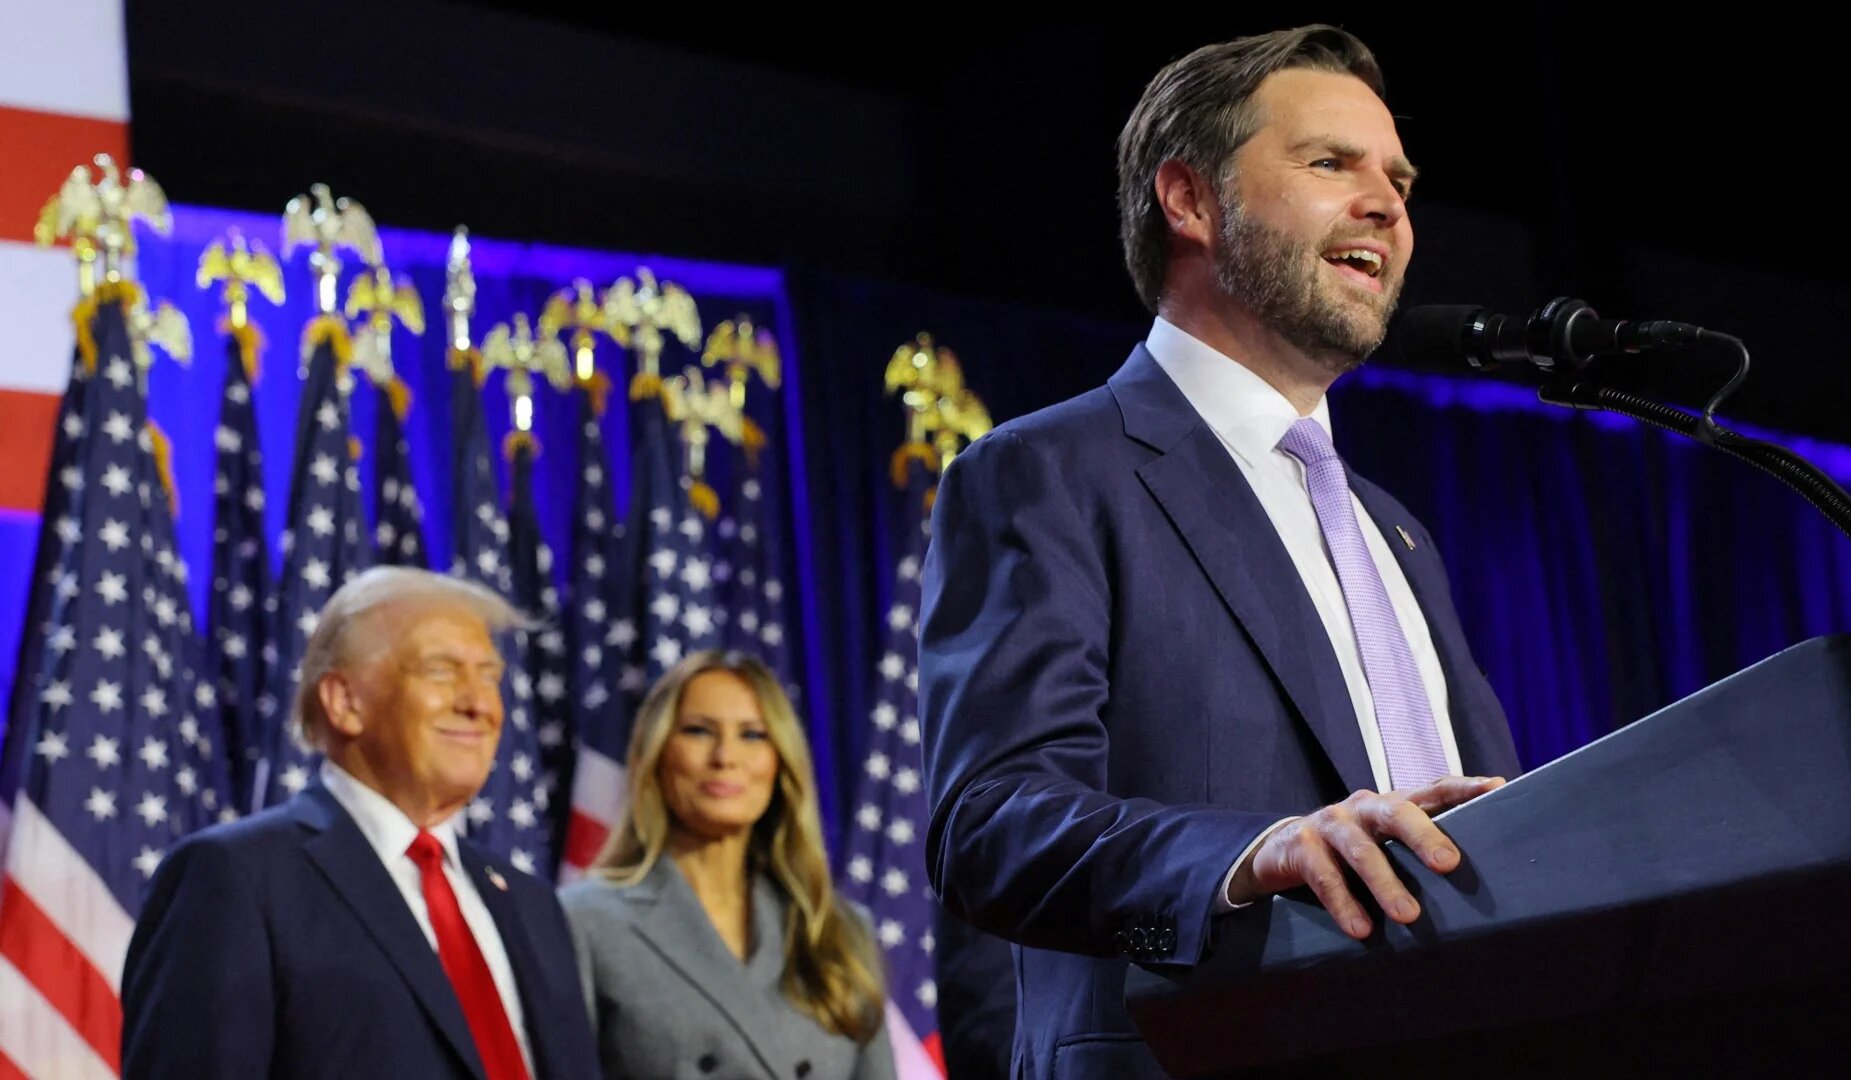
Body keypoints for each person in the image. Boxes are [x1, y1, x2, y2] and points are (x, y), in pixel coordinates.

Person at [918, 25, 1523, 1079]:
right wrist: (1249, 858)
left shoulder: (1398, 534)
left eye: (1400, 178)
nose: (1388, 204)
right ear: (1190, 200)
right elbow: (993, 822)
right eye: (1332, 163)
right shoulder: (1049, 472)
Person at [122, 566, 601, 1079]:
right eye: (441, 671)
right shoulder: (235, 878)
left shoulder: (529, 903)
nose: (479, 704)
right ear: (345, 702)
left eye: (490, 677)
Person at [562, 650, 896, 1080]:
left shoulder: (841, 929)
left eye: (753, 735)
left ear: (780, 762)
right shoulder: (585, 921)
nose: (725, 756)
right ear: (658, 753)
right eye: (699, 731)